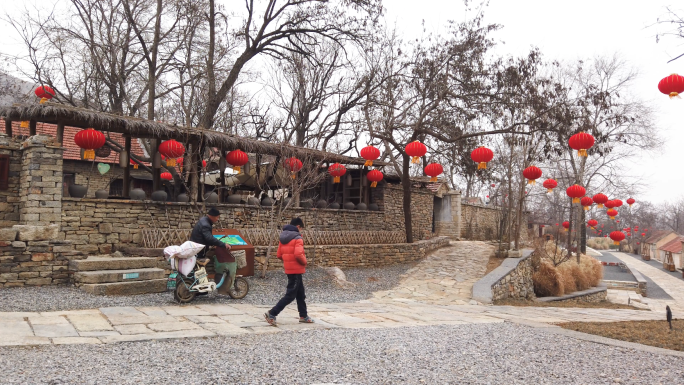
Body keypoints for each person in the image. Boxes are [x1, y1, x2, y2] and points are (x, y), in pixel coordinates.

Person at [264, 217, 313, 325]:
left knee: (300, 294)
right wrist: (305, 262)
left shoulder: (283, 237)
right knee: (290, 295)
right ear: (298, 227)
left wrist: (288, 261)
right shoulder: (297, 238)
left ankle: (303, 315)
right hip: (296, 269)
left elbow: (279, 255)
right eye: (301, 228)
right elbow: (298, 254)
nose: (301, 231)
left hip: (290, 269)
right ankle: (272, 313)